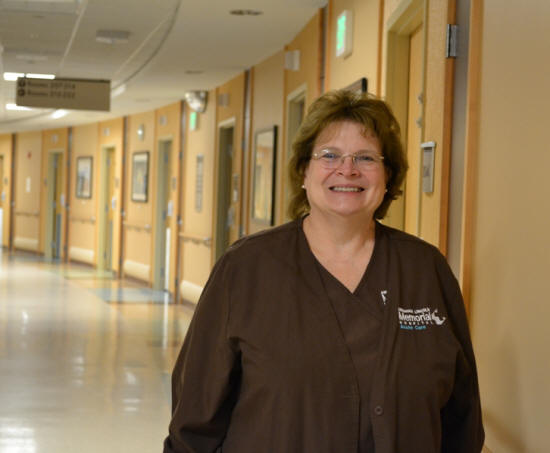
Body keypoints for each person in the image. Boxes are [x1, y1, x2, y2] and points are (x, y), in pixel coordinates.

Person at [163, 89, 484, 453]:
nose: (347, 169)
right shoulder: (245, 269)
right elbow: (193, 423)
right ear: (304, 170)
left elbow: (463, 419)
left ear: (388, 176)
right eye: (329, 155)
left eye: (365, 157)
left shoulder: (425, 270)